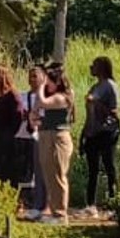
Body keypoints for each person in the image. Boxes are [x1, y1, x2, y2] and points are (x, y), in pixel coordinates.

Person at [79, 56, 120, 218]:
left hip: (107, 132)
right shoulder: (94, 87)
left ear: (102, 68)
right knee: (92, 170)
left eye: (94, 65)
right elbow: (89, 114)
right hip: (92, 132)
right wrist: (83, 134)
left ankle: (114, 203)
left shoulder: (110, 86)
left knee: (109, 166)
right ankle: (90, 205)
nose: (91, 67)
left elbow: (115, 113)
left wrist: (97, 103)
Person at [33, 65, 76, 224]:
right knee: (48, 174)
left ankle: (60, 213)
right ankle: (52, 209)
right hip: (45, 135)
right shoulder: (52, 96)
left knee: (58, 174)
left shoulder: (62, 97)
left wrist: (41, 85)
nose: (47, 84)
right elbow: (38, 107)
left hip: (58, 137)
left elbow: (43, 102)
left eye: (49, 81)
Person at [20, 65, 49, 221]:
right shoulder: (23, 96)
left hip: (41, 137)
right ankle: (28, 202)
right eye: (30, 76)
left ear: (44, 77)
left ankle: (42, 204)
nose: (32, 79)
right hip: (24, 137)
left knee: (41, 172)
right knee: (26, 172)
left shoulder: (47, 98)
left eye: (35, 75)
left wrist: (35, 119)